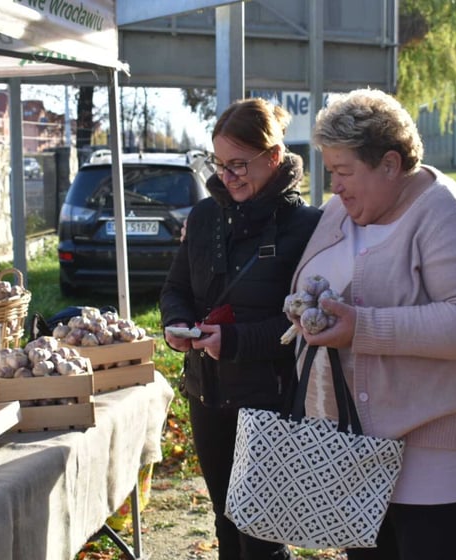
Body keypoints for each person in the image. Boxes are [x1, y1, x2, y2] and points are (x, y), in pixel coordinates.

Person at [290, 88, 456, 560]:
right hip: (360, 454)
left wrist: (361, 328)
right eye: (330, 171)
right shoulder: (342, 210)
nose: (334, 185)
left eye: (344, 171)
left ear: (391, 164)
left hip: (438, 464)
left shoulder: (450, 215)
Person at [159, 97, 322, 560]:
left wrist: (232, 341)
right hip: (207, 393)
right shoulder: (205, 217)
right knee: (225, 518)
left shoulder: (307, 226)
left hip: (269, 399)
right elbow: (175, 288)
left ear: (273, 157)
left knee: (262, 533)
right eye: (219, 164)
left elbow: (304, 326)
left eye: (238, 165)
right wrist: (176, 323)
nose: (227, 177)